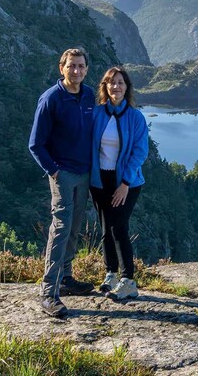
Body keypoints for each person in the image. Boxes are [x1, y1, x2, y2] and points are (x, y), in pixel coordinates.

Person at [29, 48, 97, 317]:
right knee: (60, 228)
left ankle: (66, 278)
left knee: (75, 228)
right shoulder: (51, 99)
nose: (76, 71)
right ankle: (48, 292)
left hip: (85, 173)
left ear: (86, 69)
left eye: (81, 66)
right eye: (72, 66)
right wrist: (54, 171)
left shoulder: (90, 95)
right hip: (63, 174)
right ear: (62, 68)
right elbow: (36, 144)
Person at [90, 66, 149, 300]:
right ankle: (111, 273)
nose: (116, 86)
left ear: (127, 87)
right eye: (111, 82)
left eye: (121, 82)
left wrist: (124, 183)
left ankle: (128, 280)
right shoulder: (97, 114)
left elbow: (140, 152)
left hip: (127, 182)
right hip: (99, 180)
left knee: (119, 228)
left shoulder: (135, 117)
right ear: (105, 86)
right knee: (105, 230)